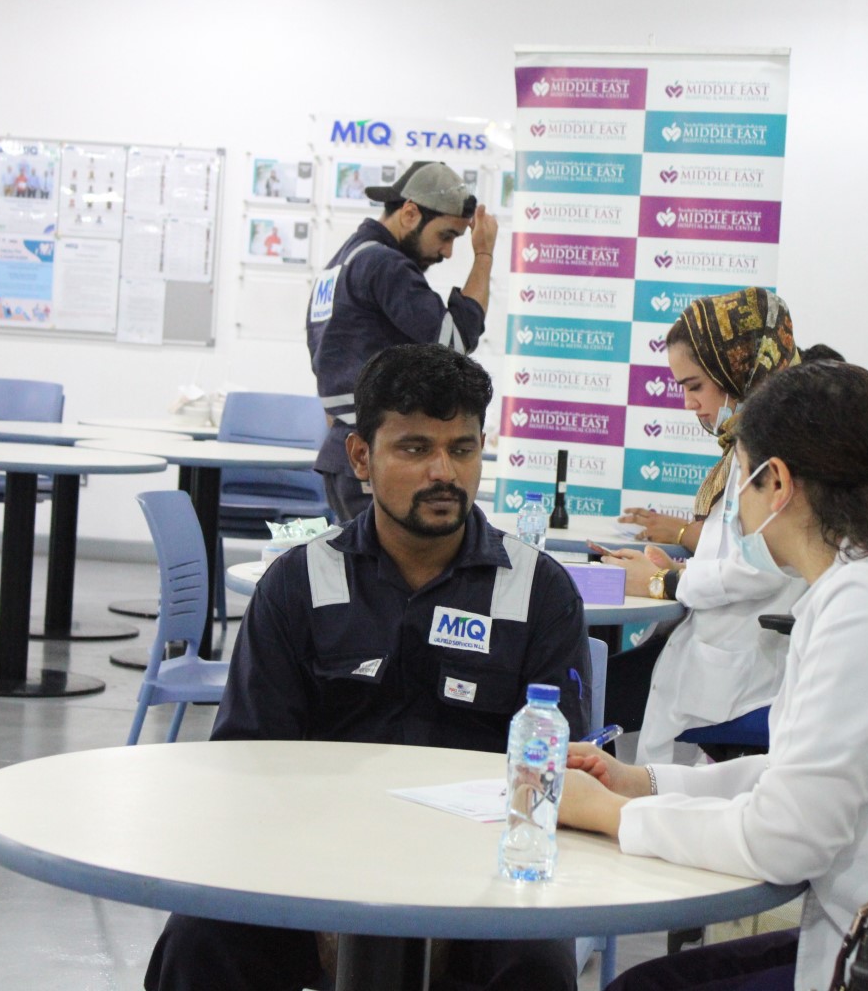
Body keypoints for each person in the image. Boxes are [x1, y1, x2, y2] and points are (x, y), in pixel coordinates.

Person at [145, 343, 589, 991]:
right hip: (310, 866)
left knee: (538, 967)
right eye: (414, 448)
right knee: (197, 943)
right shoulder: (298, 584)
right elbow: (247, 766)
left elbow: (561, 778)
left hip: (480, 882)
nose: (443, 472)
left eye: (462, 448)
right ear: (360, 457)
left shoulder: (539, 592)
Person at [559, 360, 868, 991]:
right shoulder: (862, 584)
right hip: (862, 927)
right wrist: (641, 783)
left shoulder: (866, 606)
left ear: (776, 482)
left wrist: (612, 815)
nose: (735, 516)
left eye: (738, 485)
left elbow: (784, 839)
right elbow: (794, 776)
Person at [602, 288, 808, 764]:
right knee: (604, 691)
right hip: (718, 646)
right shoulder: (747, 445)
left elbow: (761, 568)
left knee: (593, 696)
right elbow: (733, 552)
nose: (689, 404)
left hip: (747, 667)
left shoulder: (779, 452)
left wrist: (662, 581)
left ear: (738, 369)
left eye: (695, 386)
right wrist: (675, 567)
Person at [307, 161, 498, 522]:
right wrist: (484, 256)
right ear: (410, 213)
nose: (447, 252)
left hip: (347, 450)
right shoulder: (384, 264)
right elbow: (455, 345)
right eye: (446, 235)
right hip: (379, 455)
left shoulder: (344, 260)